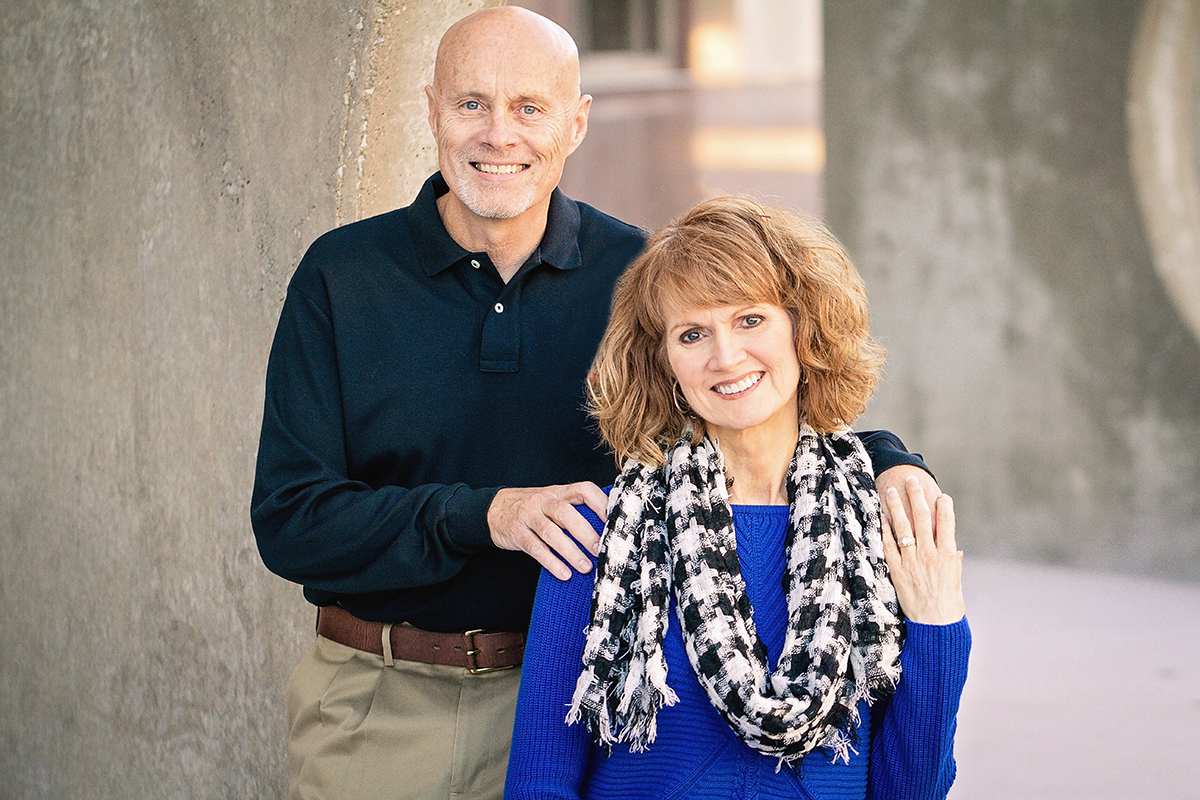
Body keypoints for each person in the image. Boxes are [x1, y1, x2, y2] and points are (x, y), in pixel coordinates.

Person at [250, 7, 939, 800]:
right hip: (378, 703)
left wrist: (886, 461)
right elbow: (290, 522)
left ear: (575, 123)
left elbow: (746, 402)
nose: (498, 135)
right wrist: (486, 515)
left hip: (589, 696)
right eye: (472, 103)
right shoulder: (342, 275)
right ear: (431, 108)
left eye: (529, 108)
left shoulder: (635, 274)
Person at [506, 196, 970, 800]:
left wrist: (939, 623)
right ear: (664, 361)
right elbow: (540, 781)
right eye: (693, 333)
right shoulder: (604, 532)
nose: (725, 358)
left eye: (750, 319)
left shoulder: (879, 521)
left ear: (804, 327)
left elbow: (912, 791)